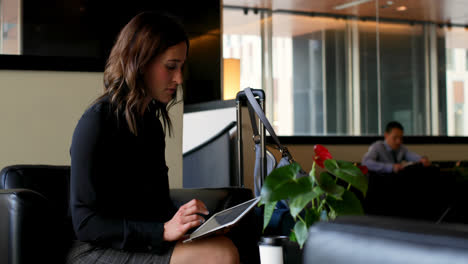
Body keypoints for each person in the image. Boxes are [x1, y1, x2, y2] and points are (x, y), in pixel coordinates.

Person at [67, 12, 239, 264]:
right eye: (170, 67)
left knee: (226, 242)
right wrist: (162, 231)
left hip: (141, 242)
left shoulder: (150, 124)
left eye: (181, 67)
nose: (178, 79)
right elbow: (85, 223)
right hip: (94, 250)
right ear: (140, 62)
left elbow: (154, 206)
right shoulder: (96, 122)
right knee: (219, 254)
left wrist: (190, 221)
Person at [362, 121, 431, 174]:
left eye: (401, 138)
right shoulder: (377, 146)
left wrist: (421, 159)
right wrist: (391, 167)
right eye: (395, 138)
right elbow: (366, 163)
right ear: (386, 135)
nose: (398, 141)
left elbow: (411, 156)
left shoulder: (401, 148)